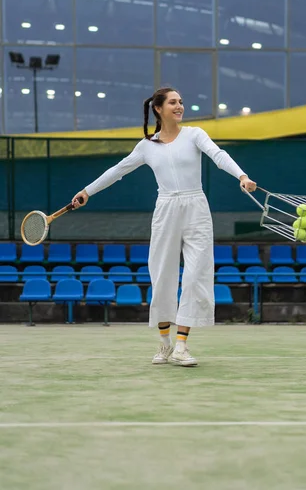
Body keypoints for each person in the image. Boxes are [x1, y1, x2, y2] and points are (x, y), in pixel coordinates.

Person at [72, 87, 257, 367]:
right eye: (173, 102)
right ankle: (164, 343)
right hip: (166, 208)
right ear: (158, 108)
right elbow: (117, 170)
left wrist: (241, 176)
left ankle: (182, 345)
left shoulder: (195, 134)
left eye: (181, 101)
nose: (179, 106)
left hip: (196, 207)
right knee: (161, 277)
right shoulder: (147, 146)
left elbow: (218, 155)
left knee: (196, 275)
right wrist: (87, 191)